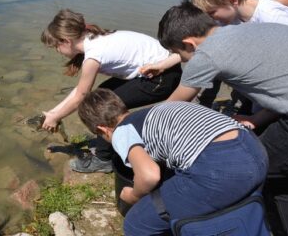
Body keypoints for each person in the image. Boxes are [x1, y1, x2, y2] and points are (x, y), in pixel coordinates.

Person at [154, 0, 288, 236]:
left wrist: (133, 132)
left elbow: (169, 110)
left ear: (189, 44)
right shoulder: (246, 28)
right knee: (281, 167)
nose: (182, 61)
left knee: (257, 170)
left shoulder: (206, 55)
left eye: (180, 55)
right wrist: (258, 119)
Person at [78, 88, 267, 235]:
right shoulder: (154, 112)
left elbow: (149, 175)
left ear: (103, 129)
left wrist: (133, 195)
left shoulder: (121, 131)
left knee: (137, 223)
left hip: (218, 167)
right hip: (254, 150)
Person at [40, 8, 181, 173]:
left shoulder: (93, 56)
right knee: (103, 92)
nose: (58, 52)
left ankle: (103, 159)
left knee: (101, 107)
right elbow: (80, 89)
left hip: (161, 77)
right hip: (161, 70)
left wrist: (56, 116)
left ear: (66, 41)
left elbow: (80, 96)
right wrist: (53, 114)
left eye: (56, 47)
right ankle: (112, 142)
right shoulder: (94, 37)